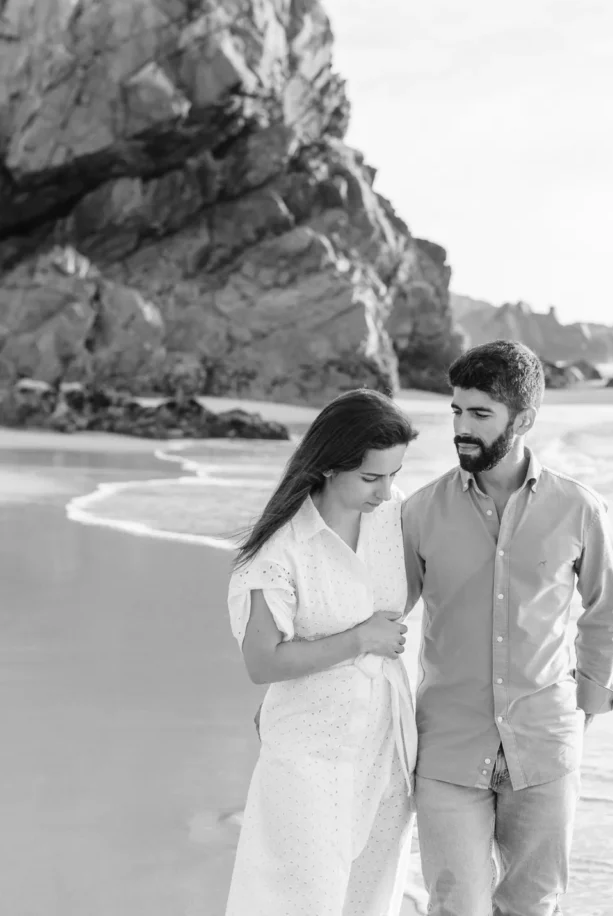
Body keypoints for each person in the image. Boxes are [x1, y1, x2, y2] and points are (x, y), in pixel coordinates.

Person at [402, 340, 613, 916]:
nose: (461, 427)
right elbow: (382, 616)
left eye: (480, 414)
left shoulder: (580, 509)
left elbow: (604, 611)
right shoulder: (420, 512)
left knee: (534, 905)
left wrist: (586, 711)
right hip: (448, 749)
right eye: (456, 410)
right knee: (456, 905)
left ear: (523, 419)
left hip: (545, 746)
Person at [225, 388, 419, 916]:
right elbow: (261, 663)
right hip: (308, 755)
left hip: (385, 749)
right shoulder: (283, 549)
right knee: (297, 902)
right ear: (331, 466)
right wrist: (360, 640)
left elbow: (407, 592)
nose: (386, 491)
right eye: (371, 477)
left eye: (394, 475)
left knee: (370, 900)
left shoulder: (391, 519)